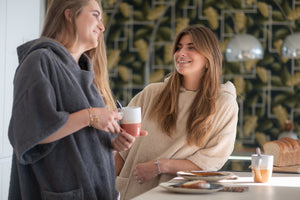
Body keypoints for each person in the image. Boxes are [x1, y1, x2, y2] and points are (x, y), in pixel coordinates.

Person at [8, 0, 146, 199]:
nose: (102, 26)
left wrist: (113, 144)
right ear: (70, 14)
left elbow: (79, 138)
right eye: (95, 15)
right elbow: (29, 133)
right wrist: (90, 116)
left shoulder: (84, 70)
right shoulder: (39, 61)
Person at [114, 25, 239, 199]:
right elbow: (121, 151)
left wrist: (161, 166)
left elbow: (211, 162)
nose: (181, 53)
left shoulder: (223, 104)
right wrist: (98, 186)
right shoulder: (152, 93)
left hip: (176, 195)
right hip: (131, 193)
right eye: (179, 47)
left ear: (208, 57)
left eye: (191, 47)